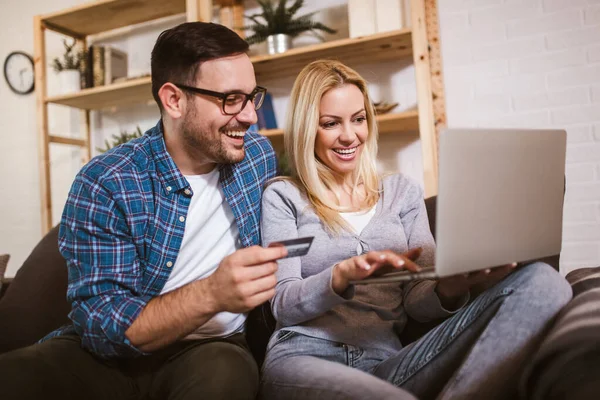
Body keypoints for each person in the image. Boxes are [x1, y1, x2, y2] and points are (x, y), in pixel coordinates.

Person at [0, 22, 287, 400]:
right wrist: (212, 294)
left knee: (225, 378)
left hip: (210, 349)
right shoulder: (107, 181)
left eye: (252, 96)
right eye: (231, 99)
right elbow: (103, 326)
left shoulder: (256, 157)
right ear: (173, 100)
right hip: (102, 357)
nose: (250, 115)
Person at [258, 59, 572, 400]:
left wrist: (449, 287)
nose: (350, 136)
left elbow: (418, 302)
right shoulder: (284, 196)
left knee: (544, 283)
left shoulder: (401, 193)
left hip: (388, 363)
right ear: (307, 128)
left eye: (359, 119)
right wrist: (339, 277)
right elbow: (283, 304)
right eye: (330, 123)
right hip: (304, 357)